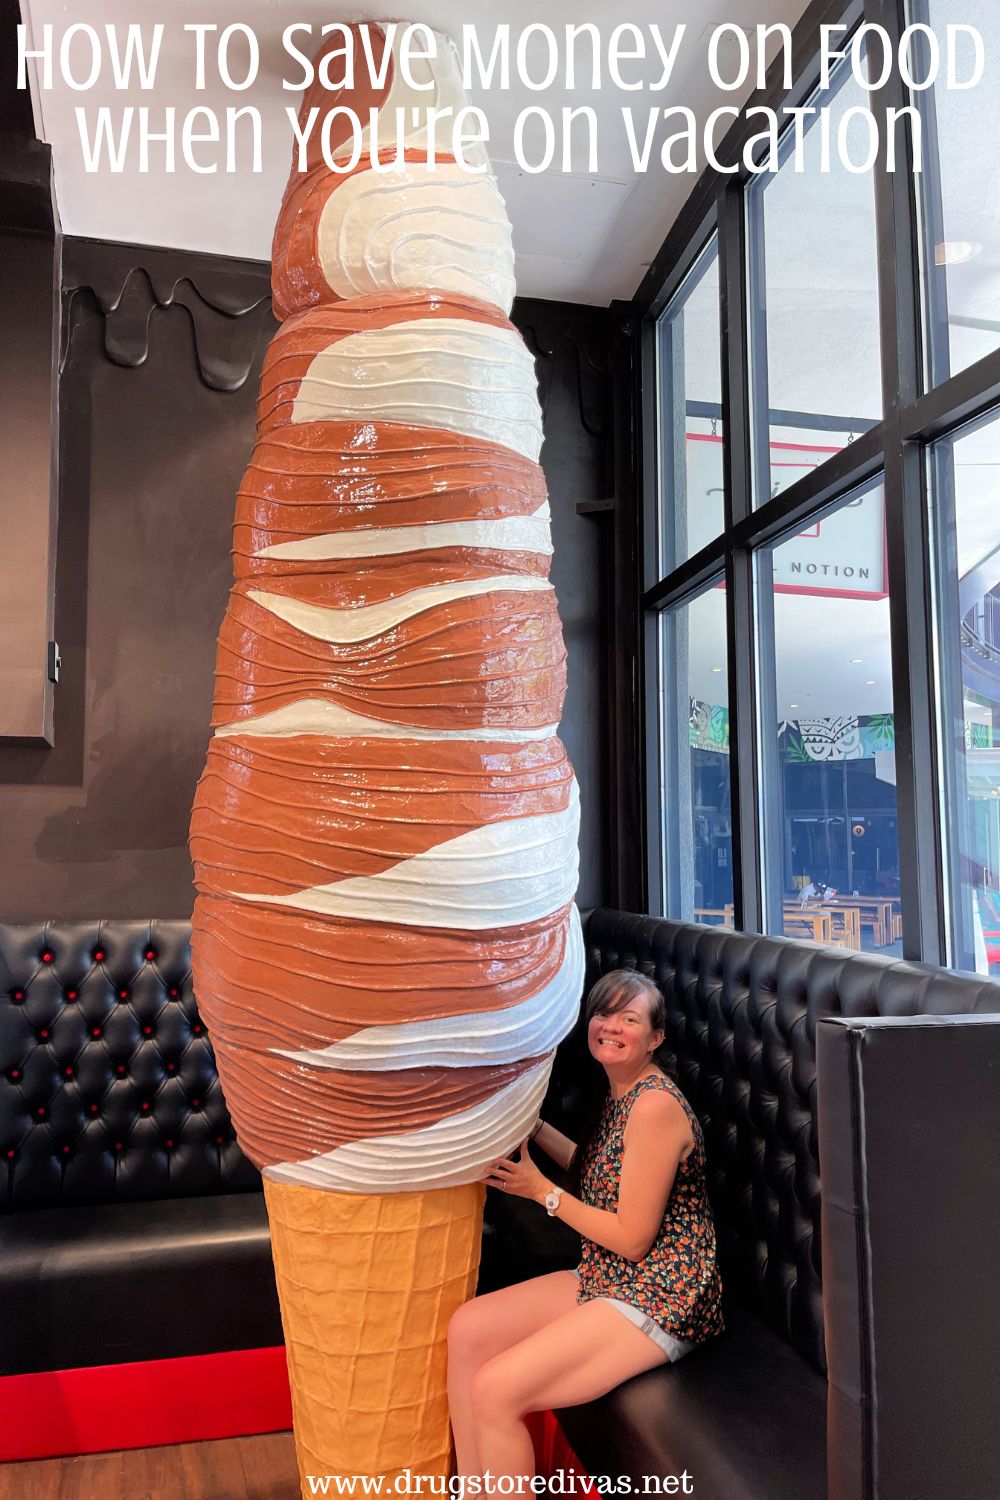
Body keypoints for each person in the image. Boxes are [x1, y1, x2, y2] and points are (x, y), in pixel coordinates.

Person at [447, 969, 724, 1482]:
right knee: (467, 1330)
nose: (612, 1026)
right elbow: (597, 1168)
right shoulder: (621, 1091)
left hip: (661, 1294)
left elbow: (633, 1239)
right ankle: (478, 1491)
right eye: (604, 1014)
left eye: (630, 1018)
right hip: (609, 1274)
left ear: (655, 1038)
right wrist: (529, 1125)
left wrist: (539, 1190)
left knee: (495, 1390)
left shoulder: (654, 1106)